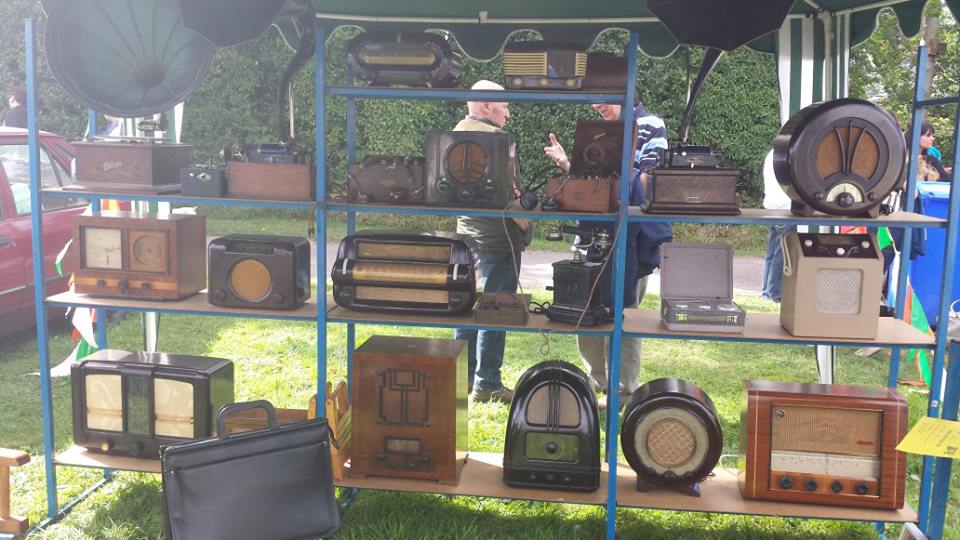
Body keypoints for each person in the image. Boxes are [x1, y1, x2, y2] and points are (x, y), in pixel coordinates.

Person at [544, 101, 672, 404]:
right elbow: (591, 183)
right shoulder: (597, 132)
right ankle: (597, 380)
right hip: (591, 236)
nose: (596, 104)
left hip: (631, 240)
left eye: (604, 97)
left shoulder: (651, 123)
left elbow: (647, 181)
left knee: (625, 316)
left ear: (624, 93)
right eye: (594, 97)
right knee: (584, 309)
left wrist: (615, 175)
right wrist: (569, 166)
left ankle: (624, 388)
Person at [453, 79, 531, 404]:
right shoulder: (498, 141)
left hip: (467, 236)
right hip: (500, 240)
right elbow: (512, 195)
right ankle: (487, 384)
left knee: (464, 309)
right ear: (485, 105)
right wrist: (527, 224)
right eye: (504, 106)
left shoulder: (455, 133)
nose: (508, 114)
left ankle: (461, 381)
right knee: (497, 310)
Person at [760, 149, 793, 303]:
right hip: (785, 207)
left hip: (772, 206)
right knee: (782, 253)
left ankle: (766, 291)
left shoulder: (772, 153)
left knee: (772, 253)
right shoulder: (790, 154)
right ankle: (774, 294)